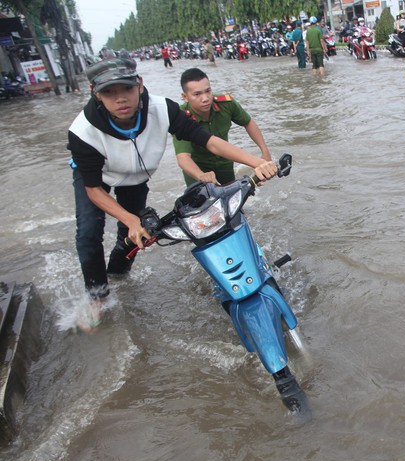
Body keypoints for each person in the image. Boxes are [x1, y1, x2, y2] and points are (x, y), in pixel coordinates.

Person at [67, 56, 277, 332]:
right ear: (96, 94)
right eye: (109, 92)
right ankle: (97, 296)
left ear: (139, 85)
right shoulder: (83, 130)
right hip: (95, 174)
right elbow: (94, 190)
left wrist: (257, 163)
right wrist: (130, 219)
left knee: (132, 238)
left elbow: (210, 142)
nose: (120, 99)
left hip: (134, 176)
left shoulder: (162, 109)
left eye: (126, 89)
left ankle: (118, 275)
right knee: (89, 232)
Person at [173, 68, 271, 186]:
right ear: (185, 97)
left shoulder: (226, 104)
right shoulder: (181, 116)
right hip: (197, 167)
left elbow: (248, 122)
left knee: (234, 198)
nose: (205, 98)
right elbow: (183, 158)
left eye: (208, 91)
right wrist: (201, 175)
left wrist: (264, 152)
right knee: (199, 201)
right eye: (197, 94)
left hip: (224, 162)